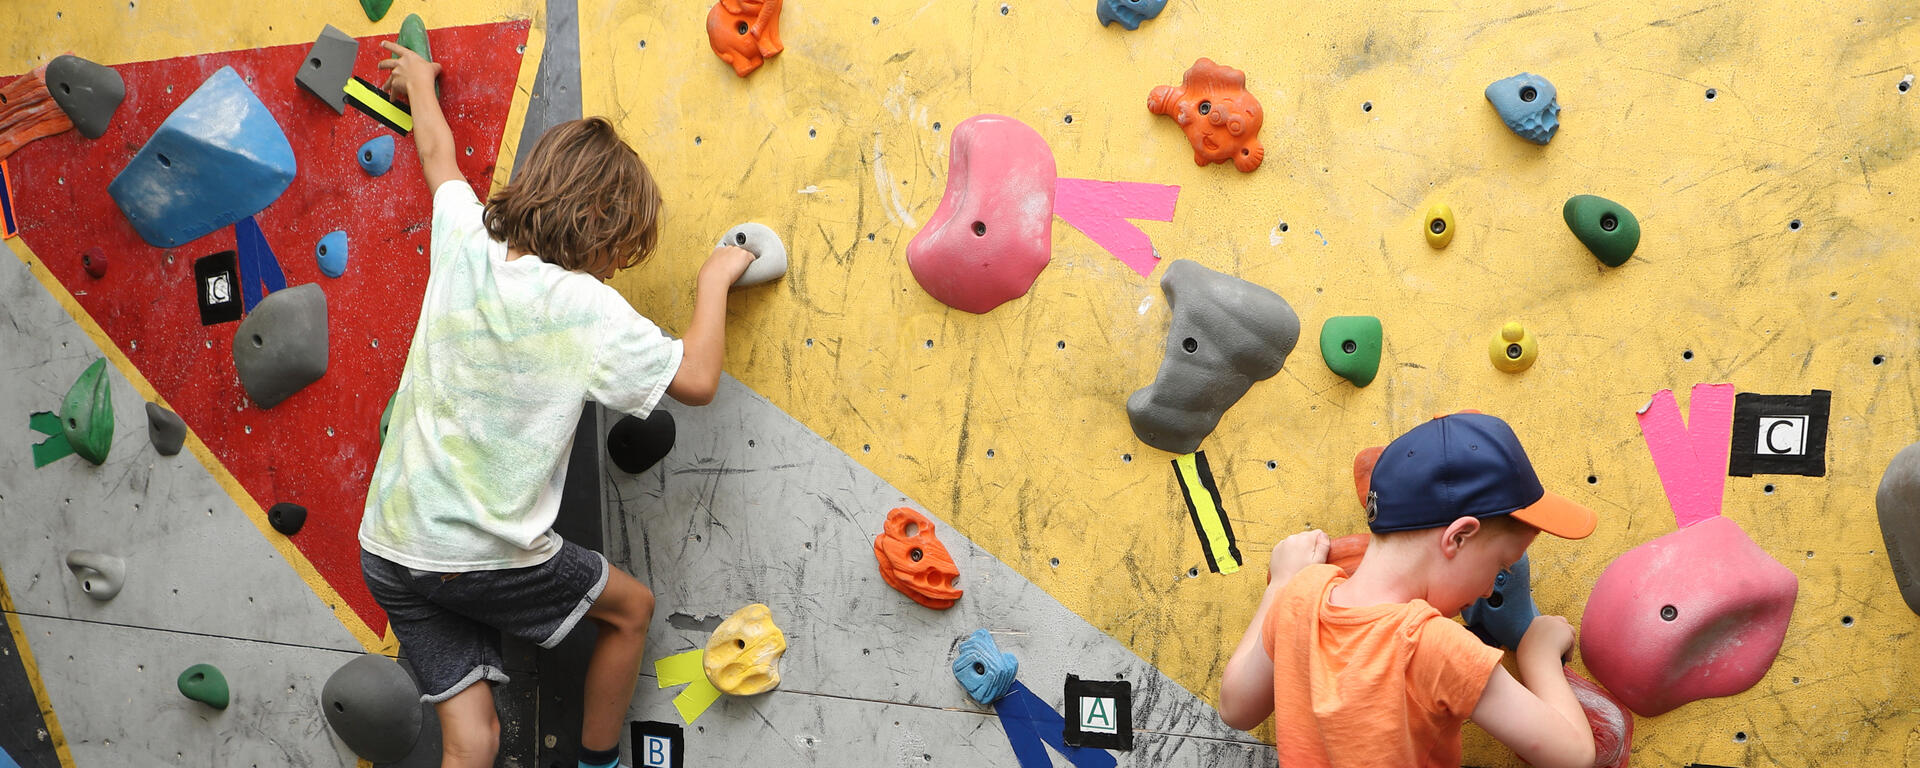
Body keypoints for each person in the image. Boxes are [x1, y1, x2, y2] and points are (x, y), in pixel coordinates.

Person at [357, 41, 755, 768]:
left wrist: (420, 83)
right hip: (479, 555)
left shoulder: (467, 238)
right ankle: (598, 764)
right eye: (622, 247)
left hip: (392, 545)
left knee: (473, 742)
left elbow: (438, 158)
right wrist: (716, 276)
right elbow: (696, 379)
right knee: (631, 611)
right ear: (603, 223)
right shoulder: (584, 307)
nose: (616, 265)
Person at [1219, 412, 1600, 768]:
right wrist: (1539, 653)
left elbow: (1236, 709)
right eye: (1501, 567)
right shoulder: (1432, 646)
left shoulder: (1301, 597)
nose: (1488, 591)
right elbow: (1575, 754)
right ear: (1459, 537)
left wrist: (1282, 585)